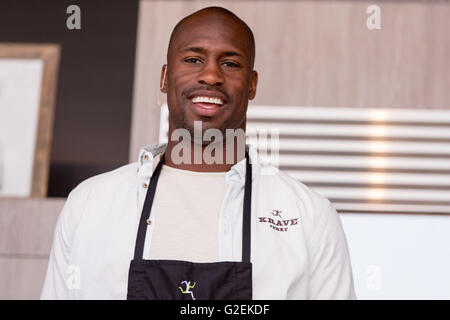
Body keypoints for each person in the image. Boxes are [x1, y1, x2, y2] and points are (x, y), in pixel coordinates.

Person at [41, 6, 356, 300]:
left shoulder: (309, 216)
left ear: (252, 85)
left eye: (230, 64)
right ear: (165, 77)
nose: (210, 76)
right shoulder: (90, 204)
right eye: (193, 60)